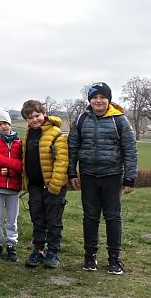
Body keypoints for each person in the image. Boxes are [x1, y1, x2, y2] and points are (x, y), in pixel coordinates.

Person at [67, 82, 138, 275]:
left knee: (113, 217)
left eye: (102, 97)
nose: (98, 101)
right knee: (90, 217)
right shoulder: (82, 119)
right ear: (90, 100)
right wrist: (72, 172)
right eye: (94, 97)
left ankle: (114, 260)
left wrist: (130, 178)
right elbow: (72, 148)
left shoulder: (120, 120)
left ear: (109, 99)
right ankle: (90, 257)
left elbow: (130, 150)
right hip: (88, 175)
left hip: (113, 176)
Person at [21, 99, 68, 269]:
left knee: (53, 221)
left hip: (53, 187)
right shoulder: (28, 134)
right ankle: (38, 250)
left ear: (44, 114)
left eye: (37, 115)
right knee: (38, 220)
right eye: (30, 117)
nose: (34, 119)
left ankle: (53, 252)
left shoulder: (56, 134)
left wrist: (54, 185)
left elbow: (61, 161)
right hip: (35, 186)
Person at [0, 108, 23, 262]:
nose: (3, 126)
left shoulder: (19, 142)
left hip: (13, 186)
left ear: (10, 123)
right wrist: (16, 164)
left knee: (12, 218)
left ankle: (11, 244)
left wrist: (11, 171)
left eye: (5, 123)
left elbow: (23, 165)